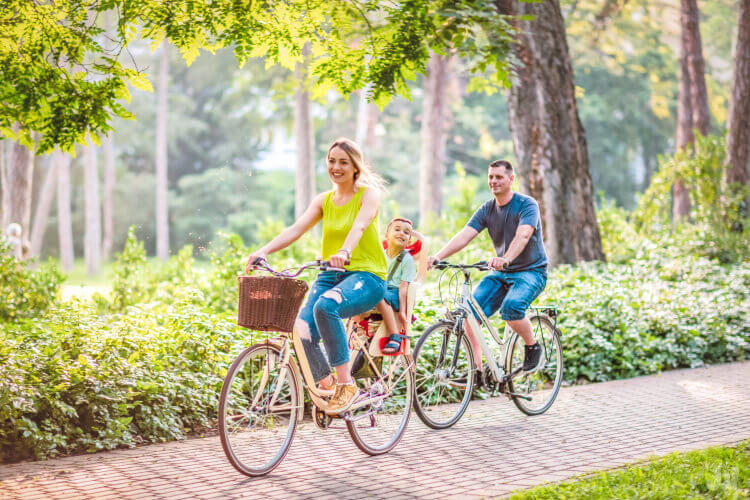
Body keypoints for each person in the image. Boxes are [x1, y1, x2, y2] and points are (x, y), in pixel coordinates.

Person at [245, 138, 388, 415]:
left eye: (343, 162)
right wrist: (262, 251)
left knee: (327, 305)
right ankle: (329, 386)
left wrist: (345, 251)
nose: (336, 167)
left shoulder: (368, 195)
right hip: (331, 275)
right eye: (331, 161)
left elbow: (359, 226)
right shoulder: (323, 200)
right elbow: (295, 229)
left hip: (367, 276)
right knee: (301, 329)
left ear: (355, 167)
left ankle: (347, 386)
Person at [427, 159, 548, 383]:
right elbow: (464, 235)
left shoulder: (527, 204)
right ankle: (477, 372)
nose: (494, 181)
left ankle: (532, 346)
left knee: (512, 309)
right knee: (469, 316)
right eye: (491, 177)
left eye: (499, 177)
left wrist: (506, 258)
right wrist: (437, 257)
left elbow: (523, 235)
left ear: (511, 179)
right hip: (501, 273)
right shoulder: (487, 209)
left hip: (531, 272)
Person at [378, 217, 423, 354]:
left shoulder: (406, 259)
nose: (401, 233)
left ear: (409, 241)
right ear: (387, 235)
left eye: (406, 232)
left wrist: (404, 311)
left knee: (379, 295)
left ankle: (395, 335)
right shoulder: (381, 255)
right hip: (381, 289)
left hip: (396, 294)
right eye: (397, 230)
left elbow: (404, 288)